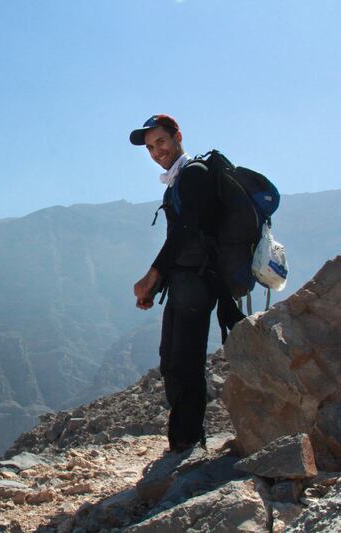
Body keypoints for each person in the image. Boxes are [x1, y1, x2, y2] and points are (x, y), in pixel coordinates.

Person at [130, 114, 220, 453]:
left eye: (161, 142)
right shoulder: (178, 179)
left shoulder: (194, 174)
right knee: (171, 357)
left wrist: (151, 276)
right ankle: (184, 440)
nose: (156, 151)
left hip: (197, 282)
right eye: (151, 148)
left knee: (185, 360)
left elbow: (185, 233)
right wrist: (156, 285)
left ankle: (187, 442)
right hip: (184, 281)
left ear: (177, 136)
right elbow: (178, 239)